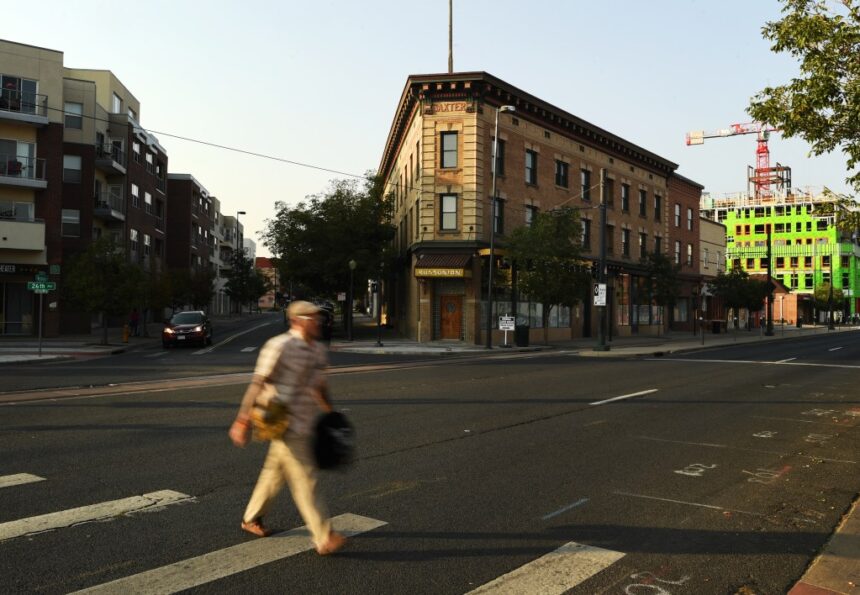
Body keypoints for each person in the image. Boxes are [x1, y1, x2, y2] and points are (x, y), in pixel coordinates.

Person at [228, 300, 346, 555]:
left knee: (274, 471)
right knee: (305, 477)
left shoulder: (316, 350)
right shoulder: (279, 346)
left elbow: (319, 386)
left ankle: (251, 518)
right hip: (280, 420)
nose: (319, 322)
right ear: (297, 320)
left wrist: (332, 415)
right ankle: (323, 536)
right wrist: (242, 420)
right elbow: (258, 383)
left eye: (319, 318)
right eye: (313, 318)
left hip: (303, 420)